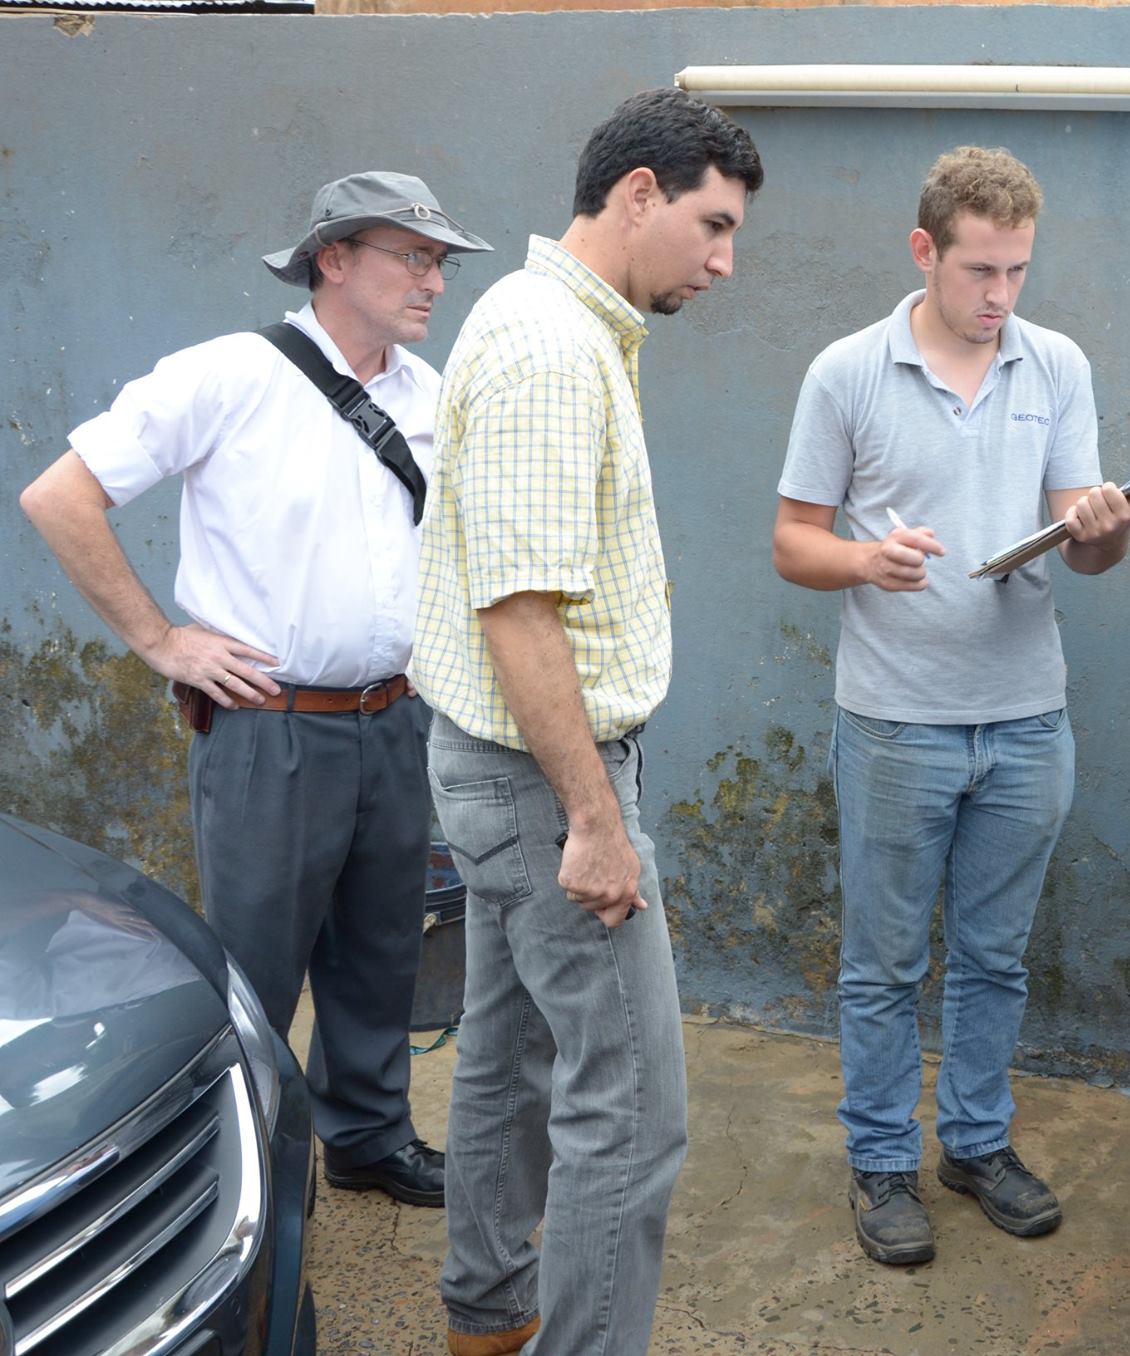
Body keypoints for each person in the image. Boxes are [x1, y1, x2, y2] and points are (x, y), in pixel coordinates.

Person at [18, 171, 492, 1208]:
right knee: (254, 971)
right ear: (333, 260)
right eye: (413, 257)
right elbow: (60, 496)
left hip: (395, 717)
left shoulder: (429, 391)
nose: (434, 282)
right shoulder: (231, 373)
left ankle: (367, 1138)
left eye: (441, 263)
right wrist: (160, 639)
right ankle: (241, 1173)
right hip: (270, 730)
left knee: (378, 955)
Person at [410, 89, 762, 1356]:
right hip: (541, 784)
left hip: (508, 779)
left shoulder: (544, 322)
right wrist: (595, 822)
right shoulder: (552, 350)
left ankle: (487, 1315)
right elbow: (518, 615)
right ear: (636, 195)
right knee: (627, 1115)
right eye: (712, 226)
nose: (724, 262)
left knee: (507, 1069)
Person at [772, 146, 1130, 1267]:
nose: (999, 297)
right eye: (980, 270)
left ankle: (976, 1146)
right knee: (883, 963)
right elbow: (793, 542)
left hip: (1028, 715)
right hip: (893, 720)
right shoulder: (846, 371)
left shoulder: (1056, 366)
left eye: (1018, 272)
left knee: (995, 956)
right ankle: (882, 1161)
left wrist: (1107, 527)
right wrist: (862, 562)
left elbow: (1086, 559)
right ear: (923, 251)